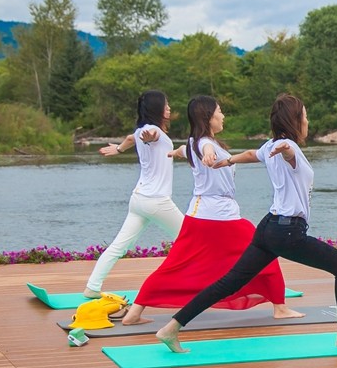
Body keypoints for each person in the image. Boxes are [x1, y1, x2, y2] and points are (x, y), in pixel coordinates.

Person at [155, 94, 337, 352]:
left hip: (268, 228)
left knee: (230, 282)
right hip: (288, 232)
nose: (307, 120)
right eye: (304, 116)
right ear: (295, 120)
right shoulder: (286, 147)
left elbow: (250, 153)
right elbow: (288, 154)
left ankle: (172, 328)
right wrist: (286, 150)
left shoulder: (271, 145)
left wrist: (230, 160)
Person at [121, 95, 302, 325]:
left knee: (175, 265)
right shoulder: (205, 144)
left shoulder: (194, 143)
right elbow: (205, 149)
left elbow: (185, 150)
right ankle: (280, 307)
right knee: (265, 252)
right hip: (221, 217)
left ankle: (134, 313)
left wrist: (177, 152)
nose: (223, 115)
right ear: (208, 117)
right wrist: (207, 154)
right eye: (219, 111)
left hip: (198, 216)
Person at [84, 90, 184, 298]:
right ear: (157, 109)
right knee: (189, 240)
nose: (169, 108)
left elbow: (132, 137)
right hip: (157, 201)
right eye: (166, 105)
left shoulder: (142, 130)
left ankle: (92, 287)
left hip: (139, 200)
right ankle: (179, 285)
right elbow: (150, 137)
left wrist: (119, 150)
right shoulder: (152, 131)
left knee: (118, 246)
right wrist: (148, 139)